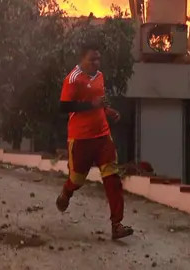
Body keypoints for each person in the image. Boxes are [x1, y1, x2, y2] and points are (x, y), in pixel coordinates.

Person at [56, 41, 133, 240]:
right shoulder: (72, 79)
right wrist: (92, 104)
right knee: (77, 179)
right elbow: (64, 107)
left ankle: (117, 225)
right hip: (81, 139)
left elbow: (100, 103)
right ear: (82, 58)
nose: (96, 63)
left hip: (102, 136)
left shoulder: (100, 77)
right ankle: (67, 191)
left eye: (98, 59)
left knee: (112, 177)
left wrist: (108, 111)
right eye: (92, 59)